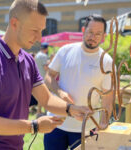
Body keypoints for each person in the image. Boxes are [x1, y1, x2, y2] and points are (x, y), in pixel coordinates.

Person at [0, 0, 92, 150]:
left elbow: (46, 99)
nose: (39, 38)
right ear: (14, 23)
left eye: (42, 30)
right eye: (34, 30)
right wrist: (33, 126)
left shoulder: (28, 60)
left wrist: (72, 109)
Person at [44, 14, 113, 150]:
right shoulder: (65, 50)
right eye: (90, 32)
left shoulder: (107, 61)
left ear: (104, 36)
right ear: (83, 31)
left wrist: (103, 125)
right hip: (56, 123)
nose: (93, 37)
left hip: (86, 128)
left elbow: (107, 99)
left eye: (98, 34)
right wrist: (59, 91)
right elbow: (49, 76)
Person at [35, 42, 49, 116]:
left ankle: (39, 111)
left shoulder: (37, 55)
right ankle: (46, 111)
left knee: (40, 96)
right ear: (46, 49)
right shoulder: (43, 56)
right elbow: (45, 67)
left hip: (38, 77)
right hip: (44, 77)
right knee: (46, 95)